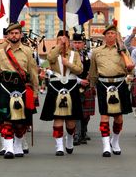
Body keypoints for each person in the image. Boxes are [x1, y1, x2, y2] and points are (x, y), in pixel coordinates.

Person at [0, 22, 39, 159]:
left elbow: (33, 72)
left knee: (20, 122)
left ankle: (18, 145)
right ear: (7, 35)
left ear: (20, 35)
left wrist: (36, 91)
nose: (14, 35)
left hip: (21, 87)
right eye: (11, 33)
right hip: (4, 87)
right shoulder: (1, 52)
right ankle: (9, 148)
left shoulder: (27, 51)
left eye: (16, 33)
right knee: (6, 119)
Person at [89, 24, 134, 157]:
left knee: (119, 118)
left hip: (120, 84)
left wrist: (124, 55)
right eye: (108, 34)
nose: (110, 36)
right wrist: (92, 85)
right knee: (104, 116)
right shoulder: (97, 51)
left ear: (116, 35)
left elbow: (130, 68)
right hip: (103, 85)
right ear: (105, 36)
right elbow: (93, 70)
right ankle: (105, 145)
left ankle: (115, 141)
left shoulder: (123, 50)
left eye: (113, 34)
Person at [40, 30, 83, 156]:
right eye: (59, 39)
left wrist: (68, 64)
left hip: (71, 85)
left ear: (69, 41)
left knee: (70, 121)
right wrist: (59, 46)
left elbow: (80, 70)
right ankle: (59, 146)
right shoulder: (53, 52)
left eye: (64, 40)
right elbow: (48, 60)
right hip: (56, 86)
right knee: (57, 117)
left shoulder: (74, 54)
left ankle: (69, 139)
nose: (62, 42)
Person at [71, 33, 95, 145]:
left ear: (83, 44)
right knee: (76, 111)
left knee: (86, 114)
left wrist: (90, 77)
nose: (77, 45)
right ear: (72, 43)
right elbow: (67, 72)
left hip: (87, 85)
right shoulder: (69, 55)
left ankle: (83, 131)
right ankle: (77, 135)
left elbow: (94, 68)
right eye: (75, 42)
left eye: (79, 43)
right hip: (73, 85)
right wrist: (80, 81)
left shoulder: (89, 55)